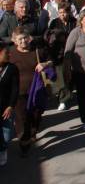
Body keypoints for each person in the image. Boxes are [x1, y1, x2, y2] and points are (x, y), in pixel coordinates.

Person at [10, 27, 51, 155]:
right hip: (18, 91)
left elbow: (51, 61)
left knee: (35, 115)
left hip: (36, 90)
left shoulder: (37, 51)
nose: (23, 41)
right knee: (21, 118)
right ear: (15, 41)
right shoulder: (10, 53)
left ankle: (33, 131)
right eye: (20, 39)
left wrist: (44, 64)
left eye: (25, 38)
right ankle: (24, 142)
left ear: (29, 38)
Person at [45, 3, 75, 111]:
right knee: (61, 76)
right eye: (60, 12)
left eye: (65, 12)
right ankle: (62, 99)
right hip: (58, 53)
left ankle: (67, 94)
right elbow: (50, 37)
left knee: (70, 76)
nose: (63, 15)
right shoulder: (54, 22)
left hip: (72, 52)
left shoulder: (73, 21)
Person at [0, 41, 18, 166]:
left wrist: (11, 106)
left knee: (6, 136)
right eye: (7, 53)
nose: (9, 55)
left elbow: (15, 89)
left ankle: (3, 148)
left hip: (6, 108)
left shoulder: (12, 68)